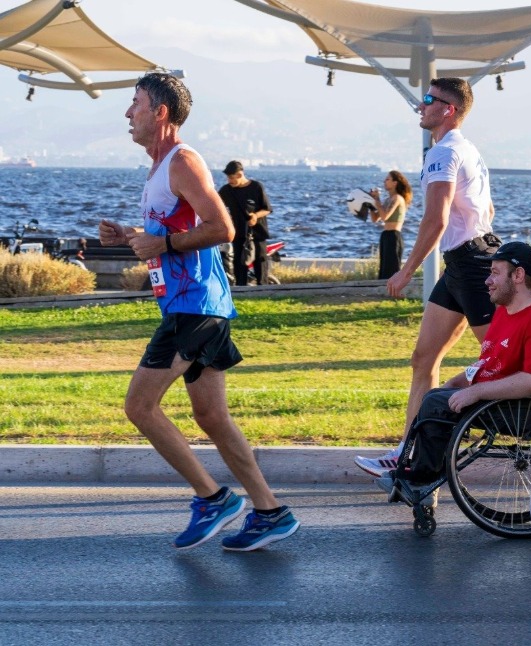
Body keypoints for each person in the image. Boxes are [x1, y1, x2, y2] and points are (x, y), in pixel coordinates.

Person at [98, 73, 299, 552]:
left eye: (136, 103)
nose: (128, 113)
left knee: (139, 407)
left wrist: (161, 242)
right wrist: (130, 236)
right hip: (194, 305)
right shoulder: (160, 168)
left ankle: (213, 499)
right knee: (212, 417)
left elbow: (223, 228)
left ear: (160, 112)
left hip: (195, 308)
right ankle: (270, 511)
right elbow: (173, 236)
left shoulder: (182, 161)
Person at [355, 77, 500, 476]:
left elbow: (434, 220)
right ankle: (408, 452)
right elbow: (487, 208)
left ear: (448, 109)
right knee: (424, 359)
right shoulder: (464, 149)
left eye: (428, 100)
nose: (421, 106)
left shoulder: (442, 153)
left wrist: (405, 271)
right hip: (465, 261)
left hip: (472, 264)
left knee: (508, 359)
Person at [377, 241, 531, 490]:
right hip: (498, 401)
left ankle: (423, 480)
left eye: (495, 273)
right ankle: (419, 472)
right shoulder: (504, 313)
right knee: (436, 396)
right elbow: (490, 363)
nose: (487, 281)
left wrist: (475, 392)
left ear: (518, 275)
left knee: (435, 403)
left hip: (522, 410)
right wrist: (460, 382)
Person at [217, 160, 272, 286]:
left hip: (257, 233)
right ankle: (242, 289)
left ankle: (263, 288)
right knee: (239, 264)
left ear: (240, 175)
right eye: (228, 178)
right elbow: (216, 206)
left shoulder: (256, 187)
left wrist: (255, 216)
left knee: (260, 263)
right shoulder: (226, 190)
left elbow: (267, 209)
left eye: (232, 178)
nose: (229, 181)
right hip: (239, 233)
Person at [368, 170, 413, 279]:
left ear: (395, 183)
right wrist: (371, 202)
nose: (384, 181)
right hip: (385, 235)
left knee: (392, 268)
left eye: (387, 179)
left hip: (394, 236)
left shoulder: (397, 198)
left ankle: (394, 292)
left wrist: (377, 201)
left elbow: (385, 216)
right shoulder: (388, 199)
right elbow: (375, 219)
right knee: (384, 268)